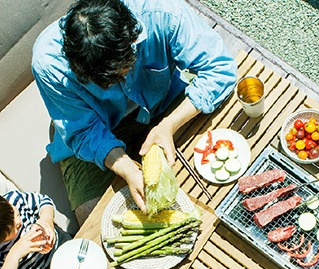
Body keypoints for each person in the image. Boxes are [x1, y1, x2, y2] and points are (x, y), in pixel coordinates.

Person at [32, 0, 237, 225]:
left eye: (125, 70)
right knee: (96, 220)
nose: (120, 82)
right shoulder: (48, 63)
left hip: (161, 101)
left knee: (214, 159)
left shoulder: (161, 11)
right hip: (95, 126)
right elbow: (83, 131)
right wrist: (128, 169)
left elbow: (220, 69)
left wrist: (168, 125)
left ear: (133, 37)